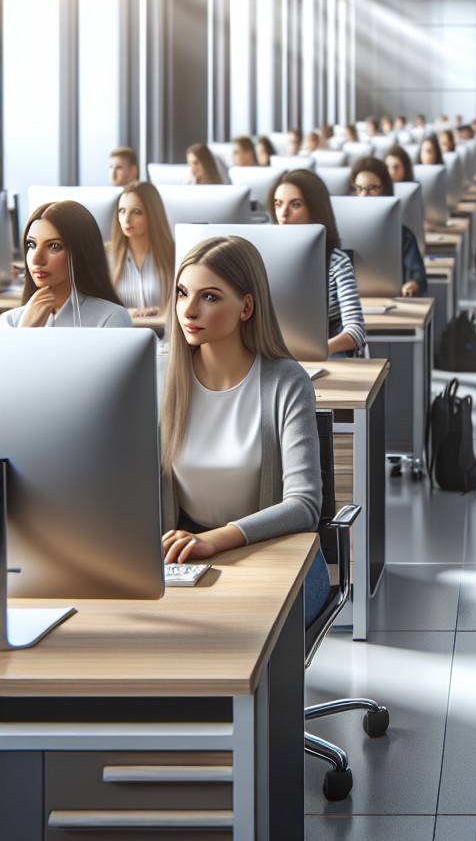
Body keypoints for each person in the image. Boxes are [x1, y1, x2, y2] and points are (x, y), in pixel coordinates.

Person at [159, 235, 330, 629]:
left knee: (236, 632)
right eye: (183, 293)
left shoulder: (286, 381)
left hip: (278, 554)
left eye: (210, 297)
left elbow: (304, 505)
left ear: (246, 307)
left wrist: (216, 540)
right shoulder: (159, 378)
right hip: (187, 557)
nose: (189, 309)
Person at [269, 169, 365, 357]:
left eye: (295, 205)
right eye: (278, 204)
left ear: (315, 209)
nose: (283, 214)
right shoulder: (264, 258)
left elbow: (355, 332)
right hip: (279, 358)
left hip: (327, 358)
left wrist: (315, 351)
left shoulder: (336, 262)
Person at [3, 200, 132, 329]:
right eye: (32, 245)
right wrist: (25, 329)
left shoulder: (111, 318)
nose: (36, 259)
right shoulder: (10, 322)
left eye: (54, 246)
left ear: (81, 251)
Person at [349, 157, 428, 297]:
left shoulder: (402, 235)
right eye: (359, 188)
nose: (364, 195)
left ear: (385, 190)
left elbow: (419, 277)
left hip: (392, 305)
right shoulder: (342, 233)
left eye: (372, 188)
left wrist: (413, 284)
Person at [108, 181, 176, 317]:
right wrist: (126, 314)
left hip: (164, 334)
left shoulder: (173, 254)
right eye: (122, 211)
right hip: (124, 333)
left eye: (136, 212)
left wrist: (162, 314)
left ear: (152, 214)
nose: (127, 219)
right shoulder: (107, 257)